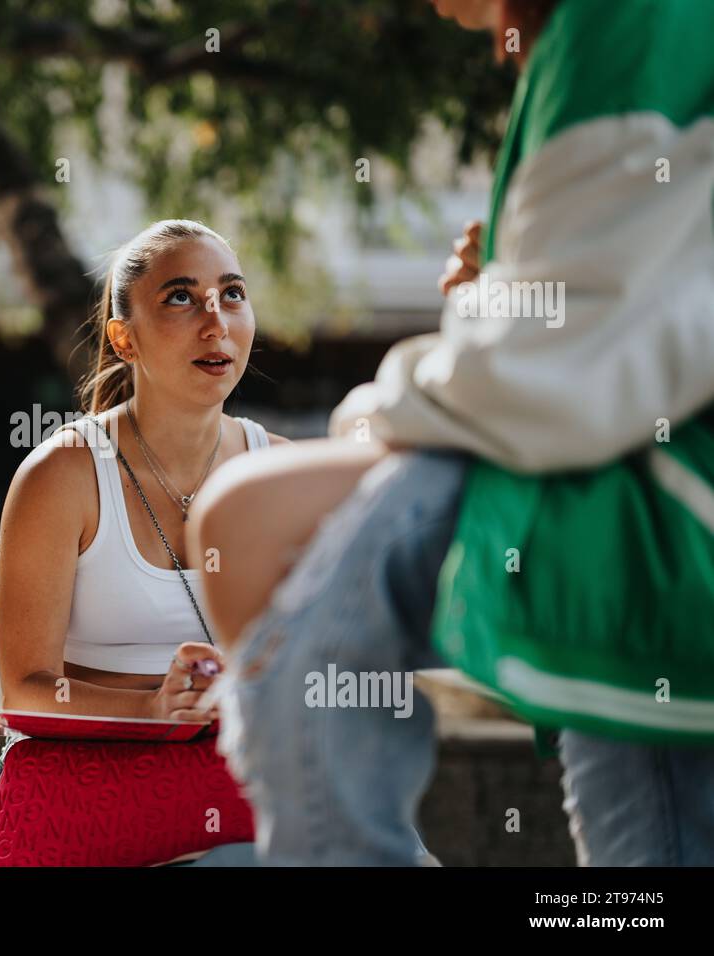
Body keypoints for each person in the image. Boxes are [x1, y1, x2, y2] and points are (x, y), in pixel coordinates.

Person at [189, 0, 714, 865]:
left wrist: (373, 415)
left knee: (251, 525)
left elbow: (562, 362)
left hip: (655, 484)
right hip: (629, 468)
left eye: (230, 295)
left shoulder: (618, 25)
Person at [0, 219, 285, 866]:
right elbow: (26, 688)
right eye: (180, 297)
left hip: (237, 788)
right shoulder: (60, 476)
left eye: (232, 294)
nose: (215, 321)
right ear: (124, 339)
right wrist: (152, 706)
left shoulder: (279, 474)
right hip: (84, 798)